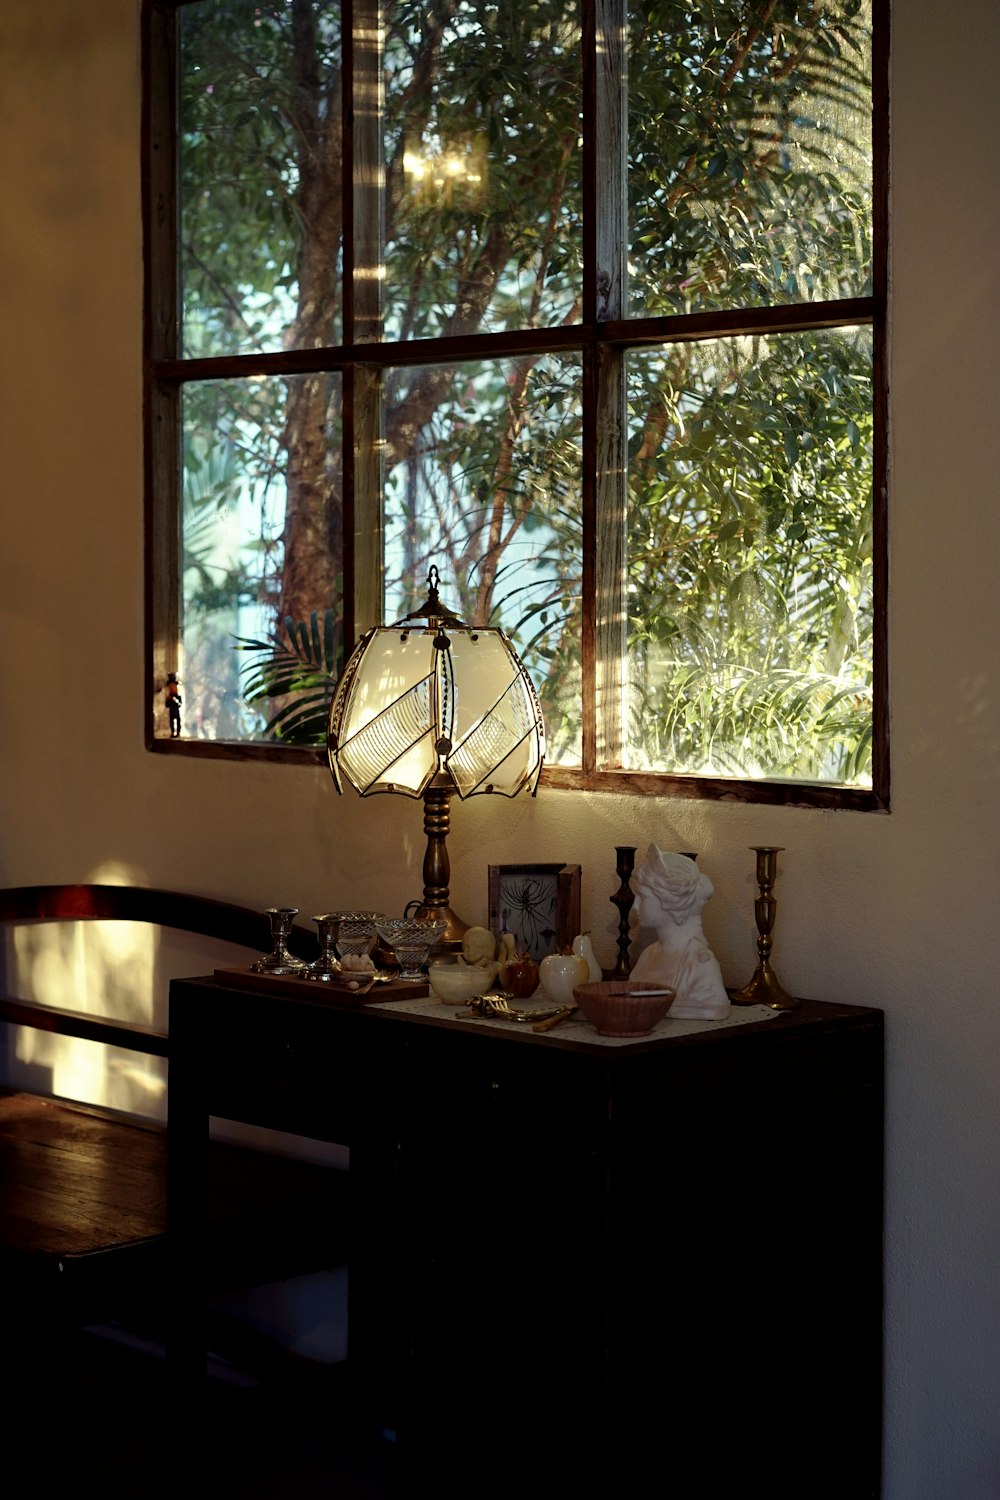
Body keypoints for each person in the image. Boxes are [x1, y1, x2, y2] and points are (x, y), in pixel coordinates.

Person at [629, 845, 730, 1020]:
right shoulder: (648, 955)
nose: (634, 906)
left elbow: (714, 1008)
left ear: (670, 900)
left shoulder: (700, 964)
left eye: (643, 897)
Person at [165, 672, 182, 737]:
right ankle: (172, 732)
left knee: (178, 721)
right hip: (172, 711)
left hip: (176, 711)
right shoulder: (169, 698)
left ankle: (178, 732)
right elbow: (167, 705)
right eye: (171, 687)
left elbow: (180, 704)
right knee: (171, 722)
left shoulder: (178, 697)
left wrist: (176, 701)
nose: (172, 688)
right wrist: (169, 700)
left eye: (174, 686)